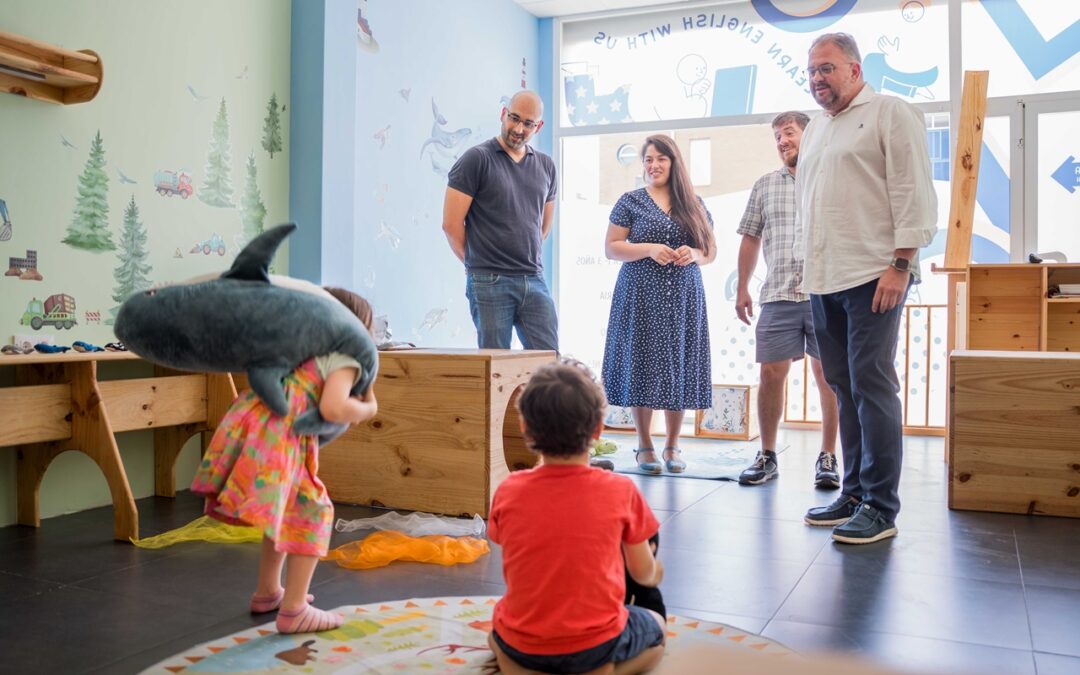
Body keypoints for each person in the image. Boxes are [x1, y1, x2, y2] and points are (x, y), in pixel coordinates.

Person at [795, 33, 937, 544]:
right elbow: (817, 203)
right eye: (811, 71)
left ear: (855, 70)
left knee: (871, 383)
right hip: (823, 277)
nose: (817, 79)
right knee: (843, 384)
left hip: (874, 274)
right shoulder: (814, 129)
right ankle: (853, 492)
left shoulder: (889, 113)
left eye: (827, 69)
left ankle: (881, 505)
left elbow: (912, 189)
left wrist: (901, 263)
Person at [190, 288, 380, 633]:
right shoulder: (344, 357)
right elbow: (333, 407)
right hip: (281, 435)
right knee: (312, 510)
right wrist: (368, 407)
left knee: (286, 509)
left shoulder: (297, 349)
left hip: (256, 426)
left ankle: (268, 591)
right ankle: (294, 610)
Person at [488, 359, 666, 675]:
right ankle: (604, 670)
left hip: (523, 644)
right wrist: (654, 570)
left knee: (494, 635)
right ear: (598, 429)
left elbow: (501, 540)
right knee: (657, 629)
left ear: (525, 427)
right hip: (594, 645)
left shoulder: (508, 489)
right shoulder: (620, 490)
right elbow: (642, 574)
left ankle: (517, 667)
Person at [735, 111, 840, 489]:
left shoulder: (831, 180)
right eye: (777, 136)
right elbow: (749, 238)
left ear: (809, 136)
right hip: (778, 293)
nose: (782, 141)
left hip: (825, 291)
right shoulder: (765, 185)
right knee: (769, 374)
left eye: (789, 133)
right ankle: (767, 454)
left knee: (828, 376)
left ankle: (828, 456)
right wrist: (742, 287)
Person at [602, 134, 716, 475]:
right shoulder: (630, 201)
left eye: (660, 159)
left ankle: (672, 444)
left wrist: (693, 253)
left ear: (674, 162)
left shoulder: (693, 203)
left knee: (677, 363)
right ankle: (645, 444)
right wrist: (649, 249)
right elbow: (611, 247)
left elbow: (710, 252)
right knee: (641, 361)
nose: (653, 165)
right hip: (639, 292)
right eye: (648, 159)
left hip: (684, 295)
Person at [442, 90, 559, 351]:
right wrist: (476, 264)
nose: (518, 128)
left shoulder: (546, 166)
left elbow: (543, 227)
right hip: (489, 281)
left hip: (534, 279)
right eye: (514, 118)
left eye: (527, 123)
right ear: (503, 114)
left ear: (537, 126)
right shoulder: (476, 159)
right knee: (495, 369)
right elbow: (451, 225)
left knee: (549, 364)